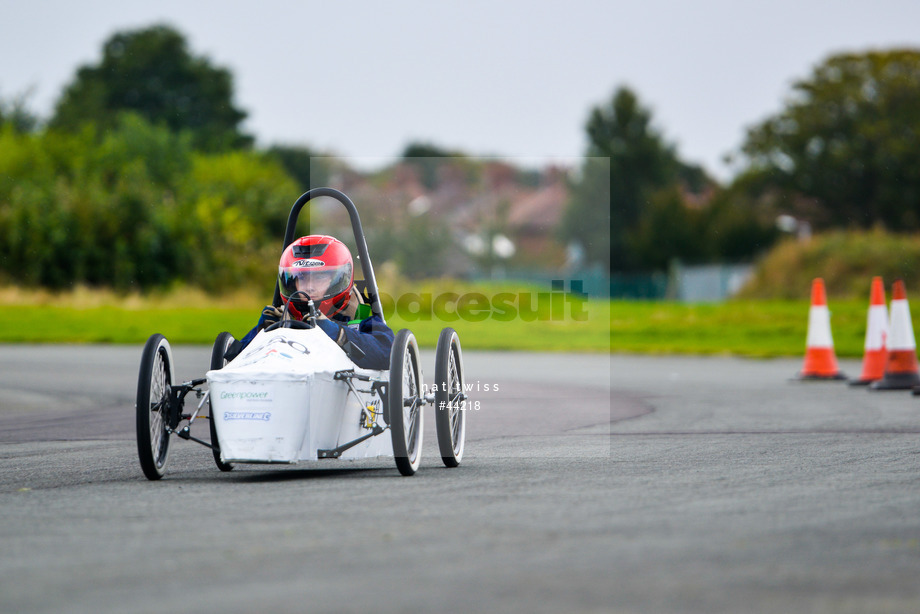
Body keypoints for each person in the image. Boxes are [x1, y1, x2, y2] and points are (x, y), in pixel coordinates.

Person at [234, 235, 394, 370]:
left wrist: (338, 334)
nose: (309, 287)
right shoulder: (282, 320)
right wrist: (262, 333)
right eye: (302, 278)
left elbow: (388, 353)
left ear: (339, 279)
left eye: (319, 277)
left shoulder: (360, 323)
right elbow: (237, 361)